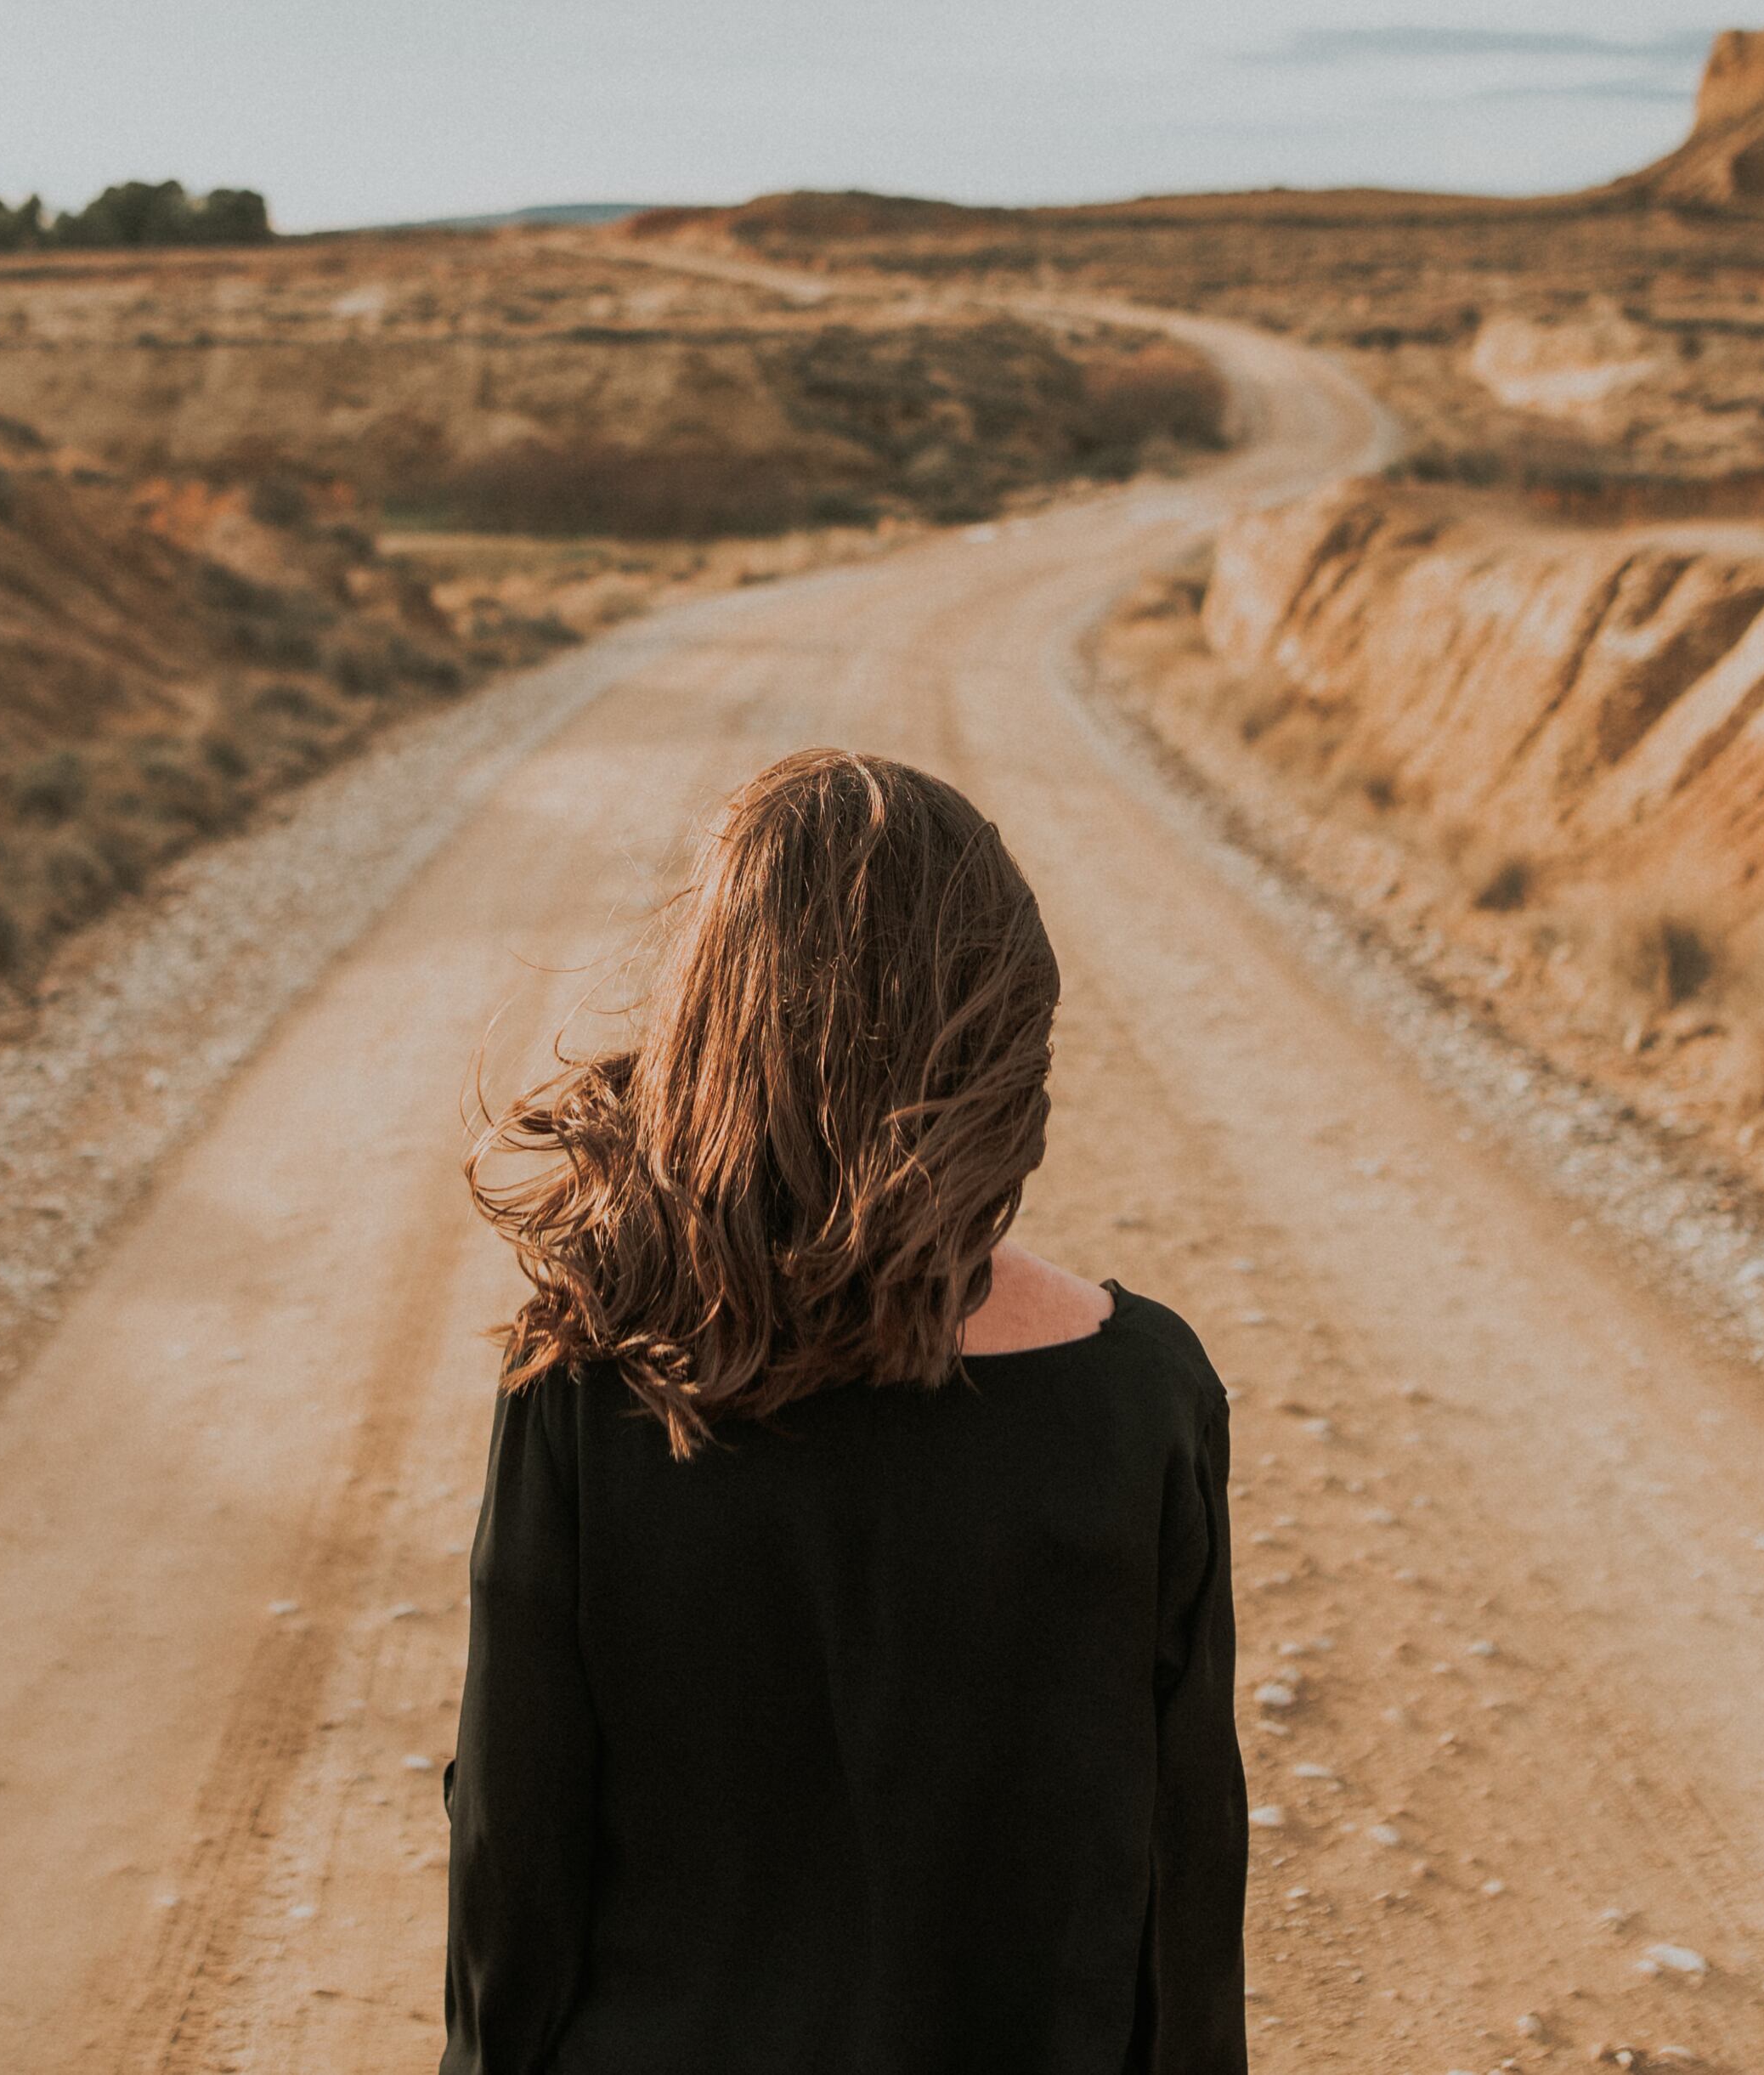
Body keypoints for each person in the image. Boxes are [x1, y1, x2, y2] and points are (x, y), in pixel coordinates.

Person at [441, 748, 1247, 2075]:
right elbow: (1186, 1902)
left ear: (713, 1026)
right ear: (1006, 1042)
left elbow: (510, 1876)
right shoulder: (1143, 1397)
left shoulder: (588, 1381)